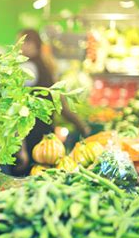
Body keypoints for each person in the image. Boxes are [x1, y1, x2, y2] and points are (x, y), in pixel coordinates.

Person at [18, 29, 90, 169]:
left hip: (31, 132)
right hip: (46, 131)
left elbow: (18, 105)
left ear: (32, 44)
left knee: (33, 172)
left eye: (21, 42)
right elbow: (61, 102)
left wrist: (21, 149)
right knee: (44, 169)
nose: (19, 47)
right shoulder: (46, 65)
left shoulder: (29, 68)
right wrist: (81, 125)